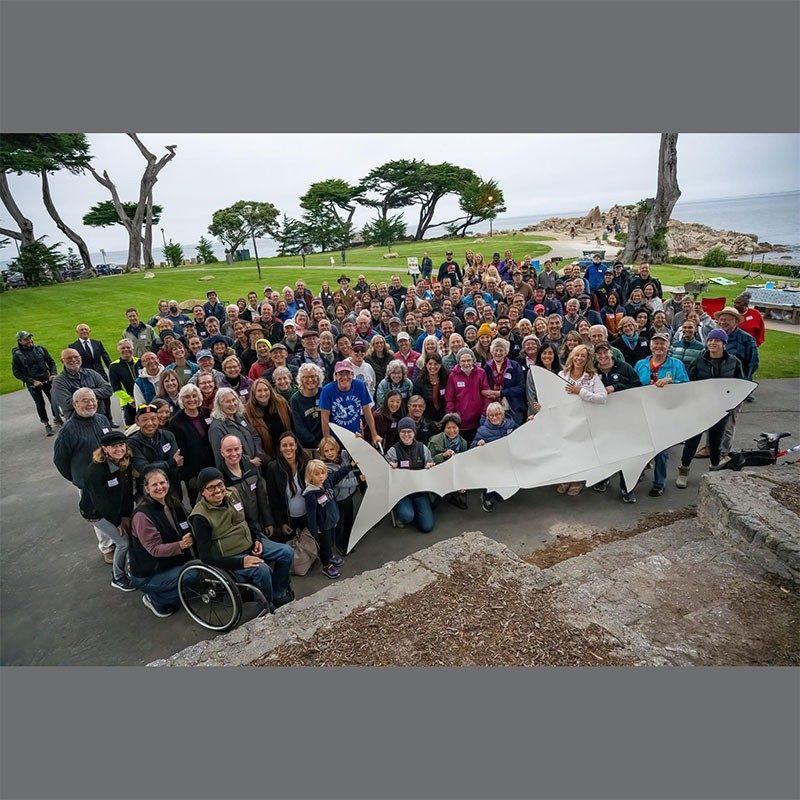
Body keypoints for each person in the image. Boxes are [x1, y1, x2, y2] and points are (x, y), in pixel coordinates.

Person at [53, 388, 116, 562]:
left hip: (109, 475)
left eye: (93, 400)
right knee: (98, 515)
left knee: (112, 509)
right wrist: (77, 478)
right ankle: (106, 547)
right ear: (75, 404)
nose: (91, 403)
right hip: (88, 483)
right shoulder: (68, 430)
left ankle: (117, 540)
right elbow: (60, 460)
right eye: (85, 401)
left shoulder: (102, 419)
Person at [676, 328, 745, 488]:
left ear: (724, 344)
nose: (713, 343)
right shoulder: (699, 361)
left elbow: (740, 385)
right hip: (699, 408)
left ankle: (714, 469)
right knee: (692, 442)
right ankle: (684, 470)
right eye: (711, 340)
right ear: (707, 343)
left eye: (717, 340)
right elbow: (689, 383)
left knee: (715, 442)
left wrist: (732, 404)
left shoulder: (734, 362)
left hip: (721, 409)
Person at [128, 468, 193, 617]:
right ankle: (155, 598)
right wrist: (180, 545)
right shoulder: (142, 516)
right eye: (154, 485)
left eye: (162, 482)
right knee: (192, 576)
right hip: (149, 572)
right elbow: (154, 549)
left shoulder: (172, 503)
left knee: (194, 576)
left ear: (168, 483)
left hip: (169, 562)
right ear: (146, 489)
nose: (159, 487)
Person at [634, 332, 690, 497]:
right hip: (643, 412)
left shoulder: (676, 365)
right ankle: (640, 472)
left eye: (662, 343)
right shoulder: (641, 364)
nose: (659, 346)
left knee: (661, 451)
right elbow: (633, 385)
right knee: (640, 447)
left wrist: (672, 381)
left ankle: (659, 483)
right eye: (655, 343)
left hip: (665, 413)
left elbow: (687, 386)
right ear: (651, 346)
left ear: (668, 346)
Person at [79, 431, 136, 592]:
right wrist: (117, 521)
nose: (119, 449)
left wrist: (126, 515)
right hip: (96, 512)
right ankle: (118, 577)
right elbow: (101, 502)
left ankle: (133, 569)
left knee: (130, 536)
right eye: (114, 446)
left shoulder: (124, 461)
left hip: (115, 507)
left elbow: (126, 490)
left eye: (121, 445)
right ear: (105, 449)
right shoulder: (95, 471)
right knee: (123, 542)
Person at [591, 342, 641, 501]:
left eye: (605, 352)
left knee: (626, 453)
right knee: (603, 450)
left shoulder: (624, 368)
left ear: (611, 353)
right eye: (599, 353)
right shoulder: (592, 370)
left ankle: (627, 487)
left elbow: (637, 386)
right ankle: (604, 479)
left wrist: (616, 387)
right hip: (601, 419)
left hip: (624, 418)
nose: (602, 356)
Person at [555, 345, 608, 496]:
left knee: (580, 451)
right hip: (565, 420)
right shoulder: (562, 374)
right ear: (572, 356)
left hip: (584, 421)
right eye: (577, 355)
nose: (579, 358)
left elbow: (602, 397)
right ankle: (566, 477)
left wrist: (581, 392)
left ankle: (577, 480)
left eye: (583, 356)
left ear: (587, 359)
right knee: (565, 450)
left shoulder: (592, 376)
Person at [713, 305, 759, 455]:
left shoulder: (746, 339)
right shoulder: (715, 337)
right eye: (721, 320)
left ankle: (724, 452)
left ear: (736, 322)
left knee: (728, 423)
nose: (723, 322)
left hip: (736, 387)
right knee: (712, 420)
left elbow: (753, 363)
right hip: (715, 387)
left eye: (727, 320)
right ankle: (711, 447)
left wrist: (743, 383)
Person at [304, 459, 358, 579]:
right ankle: (326, 565)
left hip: (333, 521)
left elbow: (338, 474)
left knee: (331, 542)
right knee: (325, 545)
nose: (320, 476)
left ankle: (330, 556)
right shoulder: (310, 495)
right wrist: (315, 531)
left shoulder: (327, 481)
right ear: (310, 475)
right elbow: (311, 516)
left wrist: (351, 466)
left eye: (322, 473)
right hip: (323, 527)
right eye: (316, 474)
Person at [218, 435, 276, 538]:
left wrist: (268, 522)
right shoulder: (220, 478)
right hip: (241, 532)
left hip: (260, 524)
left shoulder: (251, 467)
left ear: (241, 448)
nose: (234, 454)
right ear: (222, 452)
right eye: (228, 450)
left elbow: (262, 496)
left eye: (236, 449)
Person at [384, 417, 436, 533]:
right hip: (402, 492)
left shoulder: (422, 448)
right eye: (403, 431)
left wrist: (430, 465)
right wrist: (390, 466)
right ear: (399, 433)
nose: (406, 435)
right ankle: (403, 513)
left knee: (427, 527)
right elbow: (386, 469)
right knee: (406, 516)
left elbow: (430, 462)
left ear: (414, 432)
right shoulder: (393, 450)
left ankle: (418, 511)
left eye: (409, 431)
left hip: (419, 490)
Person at [167, 384, 215, 504]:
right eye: (187, 397)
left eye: (194, 396)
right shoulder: (175, 423)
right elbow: (177, 451)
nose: (192, 400)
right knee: (198, 501)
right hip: (192, 472)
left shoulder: (206, 412)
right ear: (182, 400)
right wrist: (187, 475)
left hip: (211, 464)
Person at [318, 436, 362, 555]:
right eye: (326, 451)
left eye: (332, 449)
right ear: (322, 452)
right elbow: (339, 483)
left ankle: (348, 541)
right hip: (338, 498)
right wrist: (358, 480)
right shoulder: (325, 467)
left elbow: (354, 453)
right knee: (340, 522)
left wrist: (357, 439)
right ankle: (340, 545)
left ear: (337, 448)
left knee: (349, 519)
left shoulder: (343, 454)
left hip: (348, 494)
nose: (330, 453)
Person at [12, 330, 61, 435]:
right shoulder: (18, 355)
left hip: (46, 380)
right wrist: (32, 381)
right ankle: (46, 424)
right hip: (33, 384)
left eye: (29, 338)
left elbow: (51, 361)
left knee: (54, 399)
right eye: (26, 339)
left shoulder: (40, 349)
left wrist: (53, 374)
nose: (29, 340)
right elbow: (17, 373)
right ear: (20, 341)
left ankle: (57, 417)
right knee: (40, 403)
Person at [320, 361, 381, 445]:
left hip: (354, 434)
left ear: (352, 375)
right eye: (341, 374)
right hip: (336, 436)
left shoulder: (360, 386)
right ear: (336, 376)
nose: (345, 377)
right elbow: (324, 418)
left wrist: (374, 434)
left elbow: (367, 412)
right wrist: (327, 439)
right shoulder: (327, 390)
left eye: (348, 373)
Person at [471, 401, 518, 511]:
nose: (494, 417)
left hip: (507, 460)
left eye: (497, 414)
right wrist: (477, 444)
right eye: (491, 415)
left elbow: (521, 433)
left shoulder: (511, 424)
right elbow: (471, 448)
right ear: (487, 417)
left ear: (502, 414)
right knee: (492, 484)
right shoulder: (482, 430)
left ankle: (499, 493)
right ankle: (486, 498)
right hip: (491, 464)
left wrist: (529, 421)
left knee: (504, 486)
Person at [128, 403, 184, 494]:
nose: (150, 423)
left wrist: (153, 465)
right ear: (137, 422)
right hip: (149, 492)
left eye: (153, 419)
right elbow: (145, 469)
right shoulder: (132, 442)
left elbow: (177, 466)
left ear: (158, 420)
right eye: (144, 420)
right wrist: (171, 463)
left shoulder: (168, 436)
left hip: (172, 488)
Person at [265, 431, 312, 539]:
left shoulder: (306, 463)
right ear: (280, 449)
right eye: (284, 445)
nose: (288, 448)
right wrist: (281, 523)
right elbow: (273, 499)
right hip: (289, 520)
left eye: (291, 444)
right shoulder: (273, 468)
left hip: (308, 515)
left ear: (296, 446)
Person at [208, 387, 265, 470]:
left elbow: (254, 435)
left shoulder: (240, 417)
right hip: (239, 473)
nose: (232, 404)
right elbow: (221, 457)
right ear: (219, 405)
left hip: (255, 467)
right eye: (227, 401)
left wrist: (258, 454)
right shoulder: (216, 428)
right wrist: (249, 462)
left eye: (234, 400)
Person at [69, 323, 115, 425]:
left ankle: (109, 420)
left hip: (100, 374)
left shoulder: (97, 343)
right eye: (81, 330)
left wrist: (112, 370)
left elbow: (105, 357)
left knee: (106, 399)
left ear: (89, 331)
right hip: (86, 377)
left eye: (86, 329)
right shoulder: (73, 346)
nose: (84, 331)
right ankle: (95, 421)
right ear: (77, 332)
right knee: (89, 399)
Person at [52, 348, 114, 421]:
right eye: (69, 358)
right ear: (62, 361)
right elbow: (66, 404)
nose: (73, 360)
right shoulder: (59, 381)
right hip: (76, 423)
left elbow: (108, 390)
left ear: (80, 358)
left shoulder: (91, 373)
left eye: (76, 357)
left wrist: (86, 393)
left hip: (98, 419)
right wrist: (92, 397)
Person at [445, 347, 489, 444]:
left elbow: (486, 394)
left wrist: (485, 413)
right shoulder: (453, 375)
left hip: (478, 420)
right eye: (463, 361)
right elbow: (449, 398)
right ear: (459, 362)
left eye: (469, 360)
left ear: (473, 360)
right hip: (461, 421)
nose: (466, 363)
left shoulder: (481, 373)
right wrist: (451, 416)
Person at [244, 377, 293, 462]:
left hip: (287, 450)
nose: (263, 393)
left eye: (266, 390)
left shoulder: (281, 402)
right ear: (254, 393)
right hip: (267, 457)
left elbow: (292, 423)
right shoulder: (248, 412)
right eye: (259, 391)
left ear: (270, 390)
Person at [483, 337, 526, 425]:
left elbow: (521, 388)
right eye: (496, 350)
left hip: (513, 407)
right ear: (492, 351)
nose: (498, 353)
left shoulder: (514, 366)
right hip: (494, 409)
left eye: (501, 350)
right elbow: (484, 387)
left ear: (506, 352)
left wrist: (501, 393)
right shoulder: (486, 367)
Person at [290, 363, 325, 451]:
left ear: (319, 378)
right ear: (301, 379)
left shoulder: (325, 393)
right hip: (307, 447)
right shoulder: (295, 399)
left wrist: (326, 441)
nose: (310, 380)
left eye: (313, 376)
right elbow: (299, 427)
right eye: (306, 377)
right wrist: (317, 444)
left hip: (327, 444)